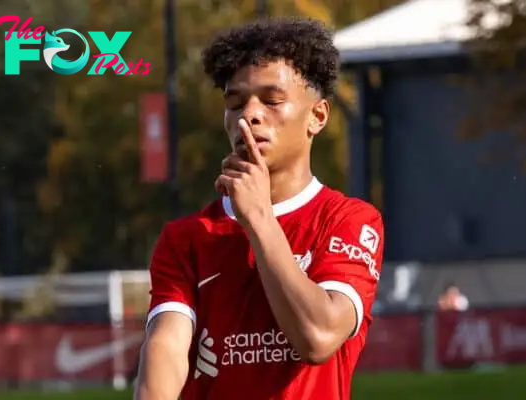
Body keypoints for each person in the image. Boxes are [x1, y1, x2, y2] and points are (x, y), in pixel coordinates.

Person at [134, 17, 384, 400]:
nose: (248, 115)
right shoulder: (186, 237)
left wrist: (258, 218)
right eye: (235, 102)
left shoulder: (349, 220)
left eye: (272, 100)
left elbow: (317, 337)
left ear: (317, 116)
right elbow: (165, 353)